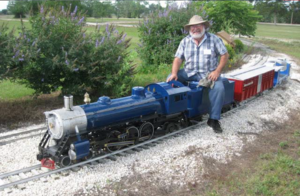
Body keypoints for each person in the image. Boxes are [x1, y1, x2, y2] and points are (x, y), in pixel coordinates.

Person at [167, 15, 229, 133]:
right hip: (188, 72)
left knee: (219, 88)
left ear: (204, 26)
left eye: (198, 25)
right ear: (189, 29)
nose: (195, 28)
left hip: (208, 74)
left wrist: (217, 71)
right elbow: (178, 59)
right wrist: (174, 73)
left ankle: (213, 119)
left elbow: (224, 55)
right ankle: (175, 114)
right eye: (192, 27)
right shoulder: (185, 41)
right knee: (170, 81)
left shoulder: (214, 39)